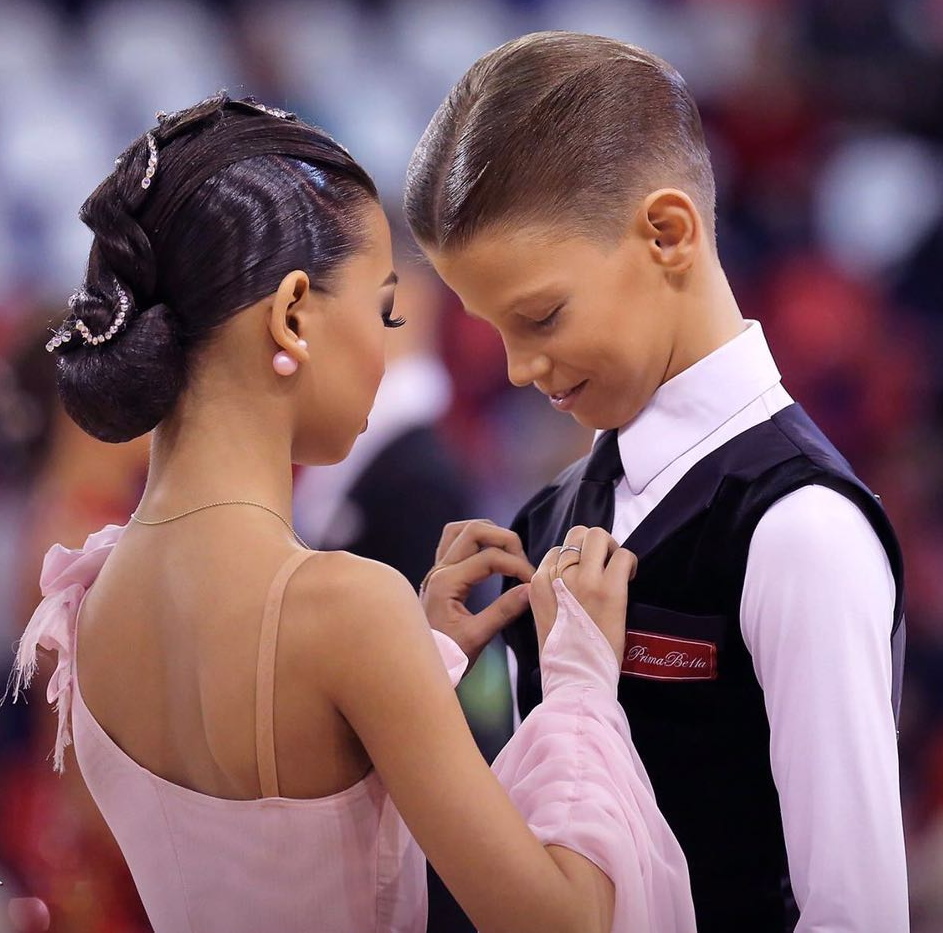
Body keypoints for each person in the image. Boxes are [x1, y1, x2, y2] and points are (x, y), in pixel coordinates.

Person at [7, 93, 695, 933]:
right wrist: (580, 681)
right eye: (385, 310)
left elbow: (261, 823)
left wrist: (414, 659)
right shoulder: (346, 608)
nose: (387, 349)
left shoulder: (88, 601)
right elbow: (564, 922)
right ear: (293, 314)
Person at [405, 31, 909, 933]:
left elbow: (853, 914)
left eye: (540, 316)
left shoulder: (799, 528)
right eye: (494, 331)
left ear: (667, 233)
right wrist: (422, 688)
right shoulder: (548, 515)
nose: (516, 368)